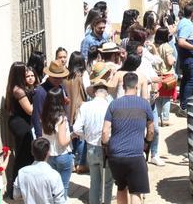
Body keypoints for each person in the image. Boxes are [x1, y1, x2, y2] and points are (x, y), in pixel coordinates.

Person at [102, 73, 155, 204]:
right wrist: (147, 142)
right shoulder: (144, 104)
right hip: (135, 155)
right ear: (137, 86)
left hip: (116, 156)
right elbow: (151, 130)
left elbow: (104, 131)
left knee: (121, 188)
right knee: (136, 191)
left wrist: (106, 145)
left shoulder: (113, 105)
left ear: (123, 85)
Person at [74, 69, 115, 204]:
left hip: (91, 147)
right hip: (107, 147)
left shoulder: (85, 106)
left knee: (94, 181)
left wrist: (86, 136)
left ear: (94, 91)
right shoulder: (111, 106)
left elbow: (76, 128)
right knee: (108, 182)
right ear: (106, 92)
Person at [5, 62, 36, 189]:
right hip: (20, 124)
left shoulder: (18, 87)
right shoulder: (18, 90)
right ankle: (16, 187)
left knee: (25, 155)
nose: (26, 74)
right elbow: (30, 110)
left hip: (21, 122)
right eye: (24, 72)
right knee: (23, 156)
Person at [13, 138, 66, 204]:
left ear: (32, 152)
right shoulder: (54, 175)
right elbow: (59, 201)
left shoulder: (22, 172)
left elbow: (16, 196)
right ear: (48, 153)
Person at [33, 61, 69, 139]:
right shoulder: (40, 92)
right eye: (55, 77)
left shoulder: (61, 87)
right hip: (47, 133)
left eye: (60, 77)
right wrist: (39, 136)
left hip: (61, 130)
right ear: (49, 75)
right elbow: (36, 115)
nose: (58, 80)